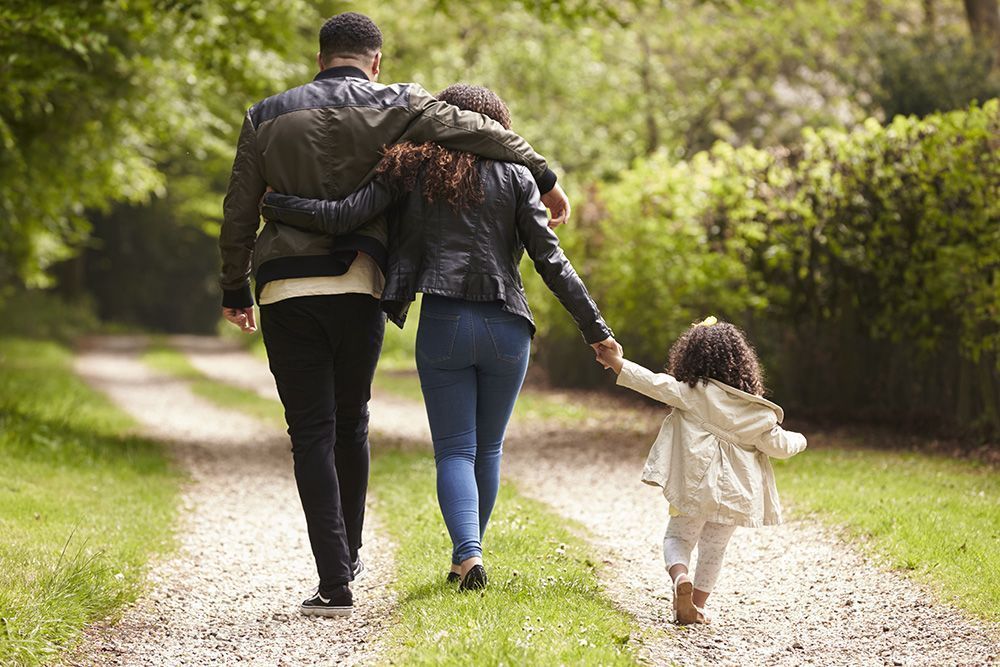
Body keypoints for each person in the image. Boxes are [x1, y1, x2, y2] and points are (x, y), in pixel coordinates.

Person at [218, 12, 572, 619]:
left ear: (322, 56)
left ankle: (335, 581)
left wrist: (233, 286)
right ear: (374, 60)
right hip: (359, 281)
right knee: (351, 421)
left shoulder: (265, 115)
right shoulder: (400, 103)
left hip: (282, 287)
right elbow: (480, 131)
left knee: (310, 433)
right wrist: (545, 176)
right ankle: (352, 552)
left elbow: (238, 209)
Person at [259, 84, 620, 592]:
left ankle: (468, 557)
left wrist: (280, 204)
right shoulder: (517, 175)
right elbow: (553, 263)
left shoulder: (410, 169)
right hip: (508, 326)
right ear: (497, 128)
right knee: (488, 450)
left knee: (455, 451)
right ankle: (463, 558)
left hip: (445, 324)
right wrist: (597, 331)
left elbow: (341, 216)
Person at [594, 317, 807, 624]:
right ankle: (698, 605)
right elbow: (780, 447)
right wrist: (801, 440)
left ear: (690, 358)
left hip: (694, 485)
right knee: (715, 547)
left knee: (678, 538)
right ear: (742, 363)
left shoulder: (691, 392)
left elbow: (651, 382)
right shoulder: (757, 412)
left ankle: (681, 579)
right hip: (735, 493)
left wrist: (617, 361)